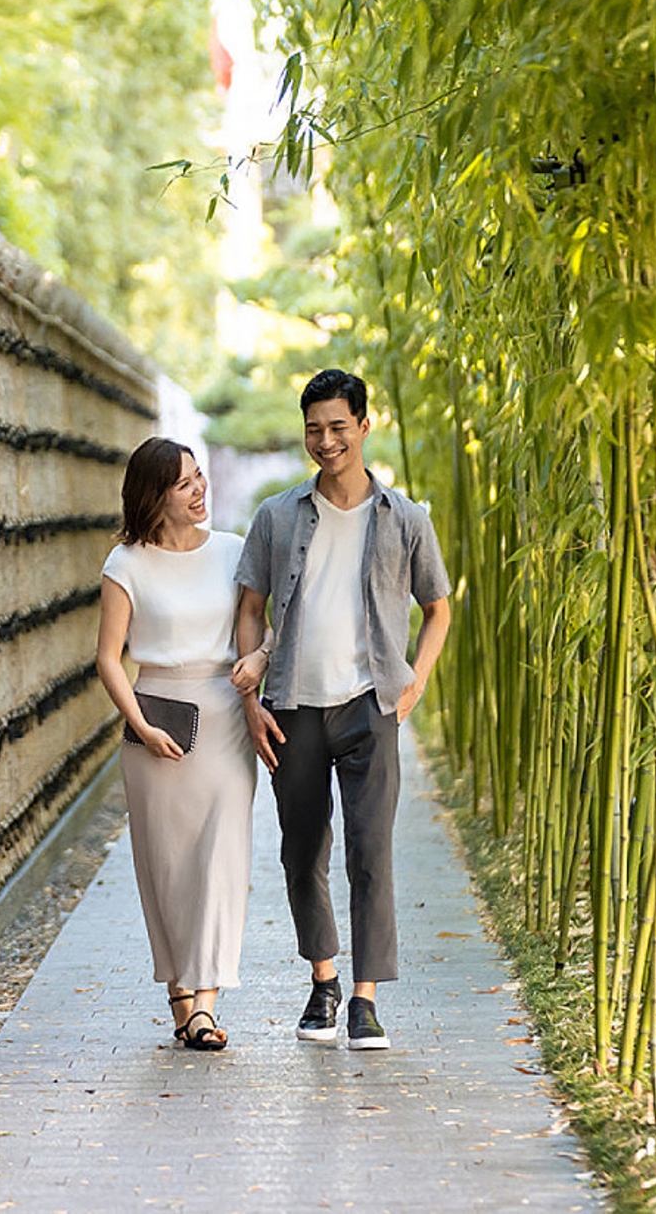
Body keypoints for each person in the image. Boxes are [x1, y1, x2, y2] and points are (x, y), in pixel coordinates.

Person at [233, 369, 451, 1051]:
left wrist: (415, 679)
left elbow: (437, 608)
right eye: (313, 429)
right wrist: (248, 701)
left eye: (336, 427)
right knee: (301, 850)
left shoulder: (404, 518)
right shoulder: (275, 516)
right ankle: (322, 981)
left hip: (369, 705)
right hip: (293, 704)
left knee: (370, 852)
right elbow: (248, 608)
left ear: (363, 424)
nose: (324, 441)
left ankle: (364, 999)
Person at [96, 437, 267, 1051]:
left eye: (200, 478)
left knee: (222, 858)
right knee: (166, 867)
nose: (201, 491)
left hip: (223, 720)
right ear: (155, 497)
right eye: (185, 485)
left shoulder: (233, 550)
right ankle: (180, 997)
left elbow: (261, 625)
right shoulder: (127, 565)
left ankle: (205, 1003)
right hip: (157, 721)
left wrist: (260, 658)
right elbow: (109, 660)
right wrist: (140, 725)